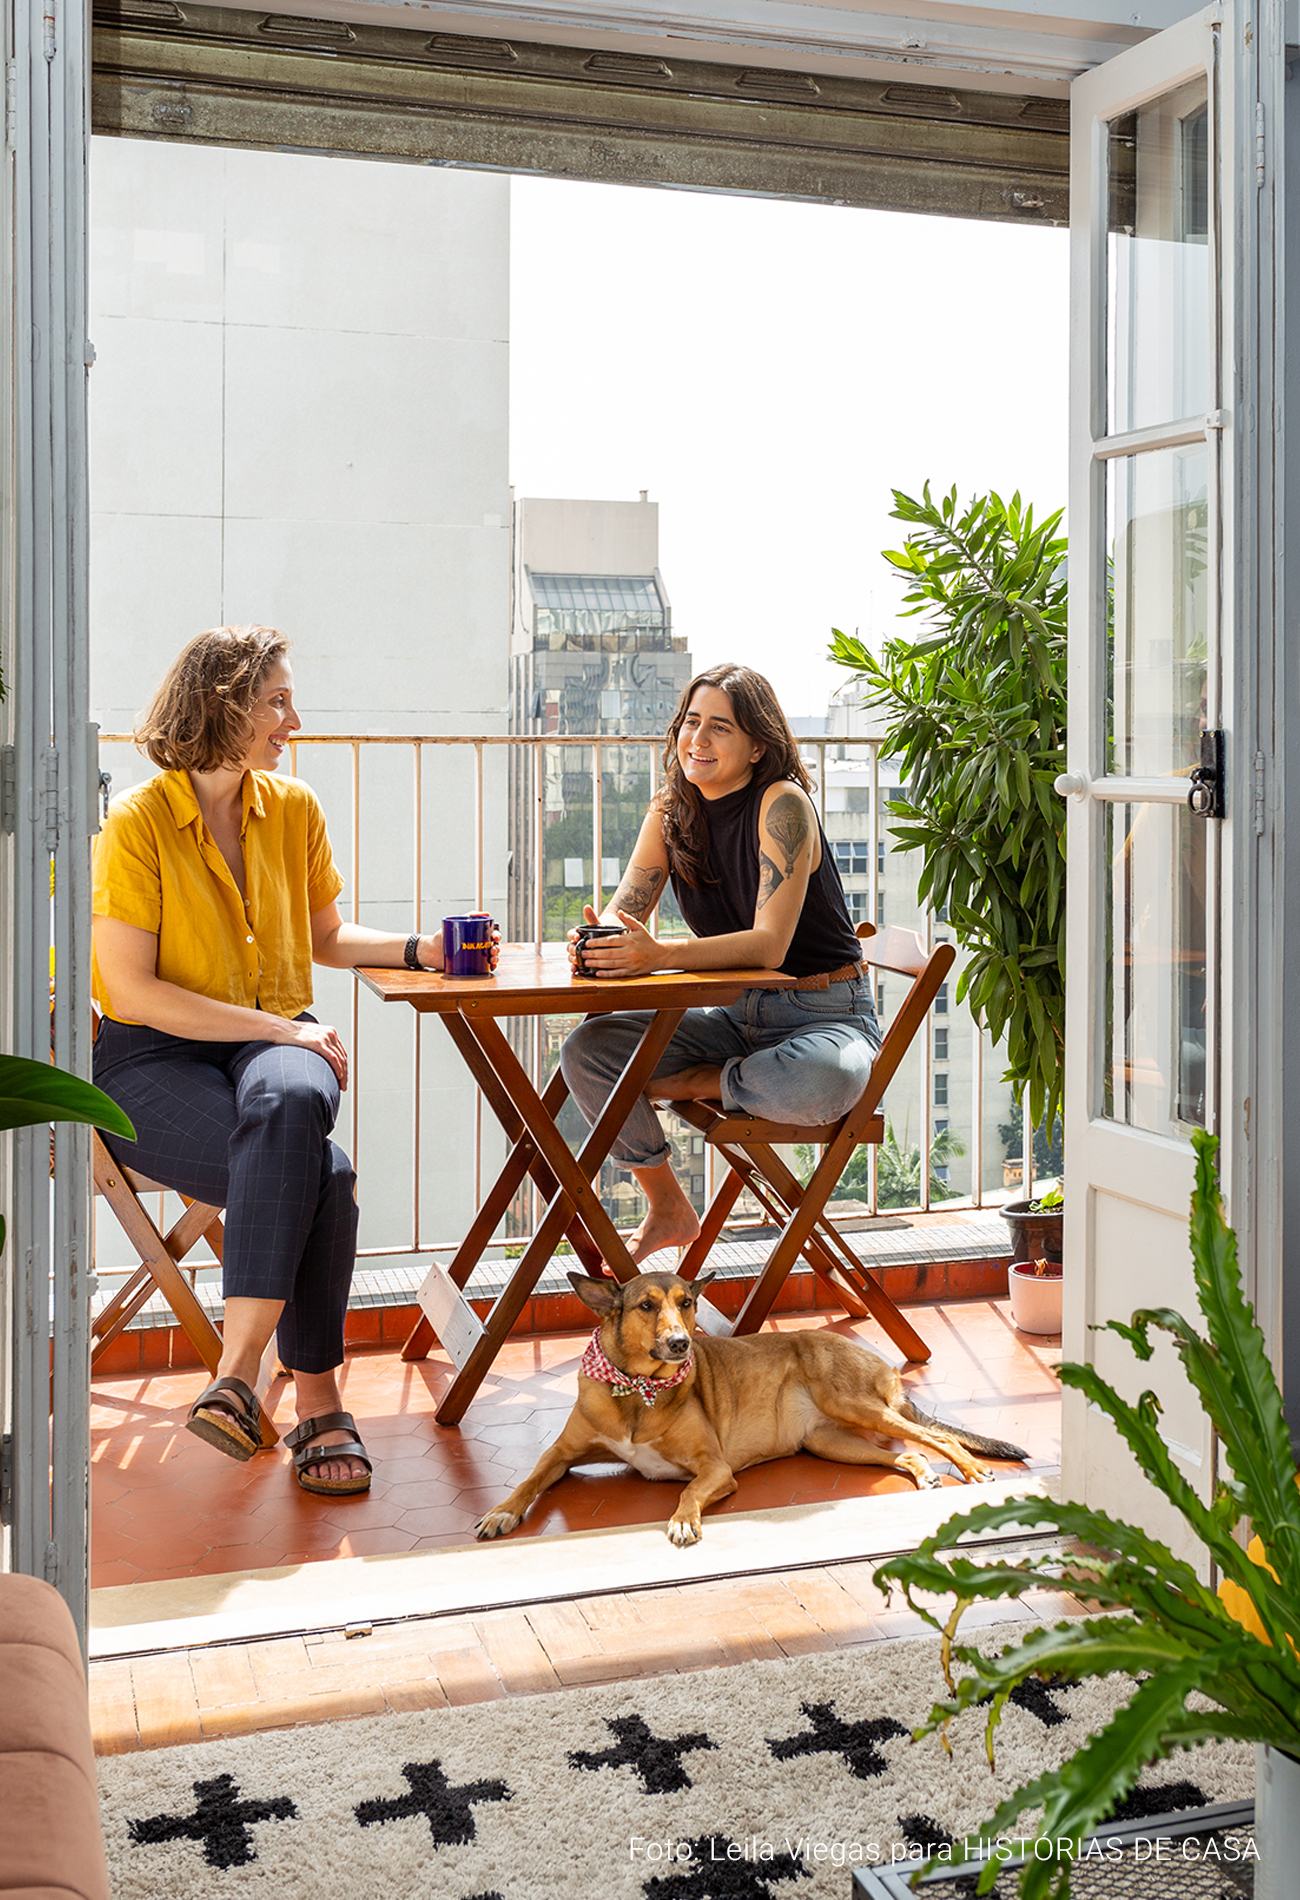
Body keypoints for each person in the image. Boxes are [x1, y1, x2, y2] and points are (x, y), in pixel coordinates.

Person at [92, 624, 487, 1496]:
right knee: (324, 1173)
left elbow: (326, 937)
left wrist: (423, 949)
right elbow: (129, 991)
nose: (293, 721)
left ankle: (234, 1378)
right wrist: (278, 1031)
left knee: (295, 1100)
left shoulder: (293, 810)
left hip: (274, 1039)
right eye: (277, 700)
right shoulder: (139, 823)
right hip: (150, 1058)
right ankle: (315, 1398)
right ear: (223, 703)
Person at [561, 662, 880, 1265]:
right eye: (690, 722)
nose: (697, 740)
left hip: (825, 1014)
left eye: (720, 729)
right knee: (588, 1050)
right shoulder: (669, 811)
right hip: (737, 1015)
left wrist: (657, 957)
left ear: (758, 745)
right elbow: (626, 907)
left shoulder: (783, 805)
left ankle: (702, 1080)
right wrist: (599, 937)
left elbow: (768, 947)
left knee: (823, 1080)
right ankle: (668, 1205)